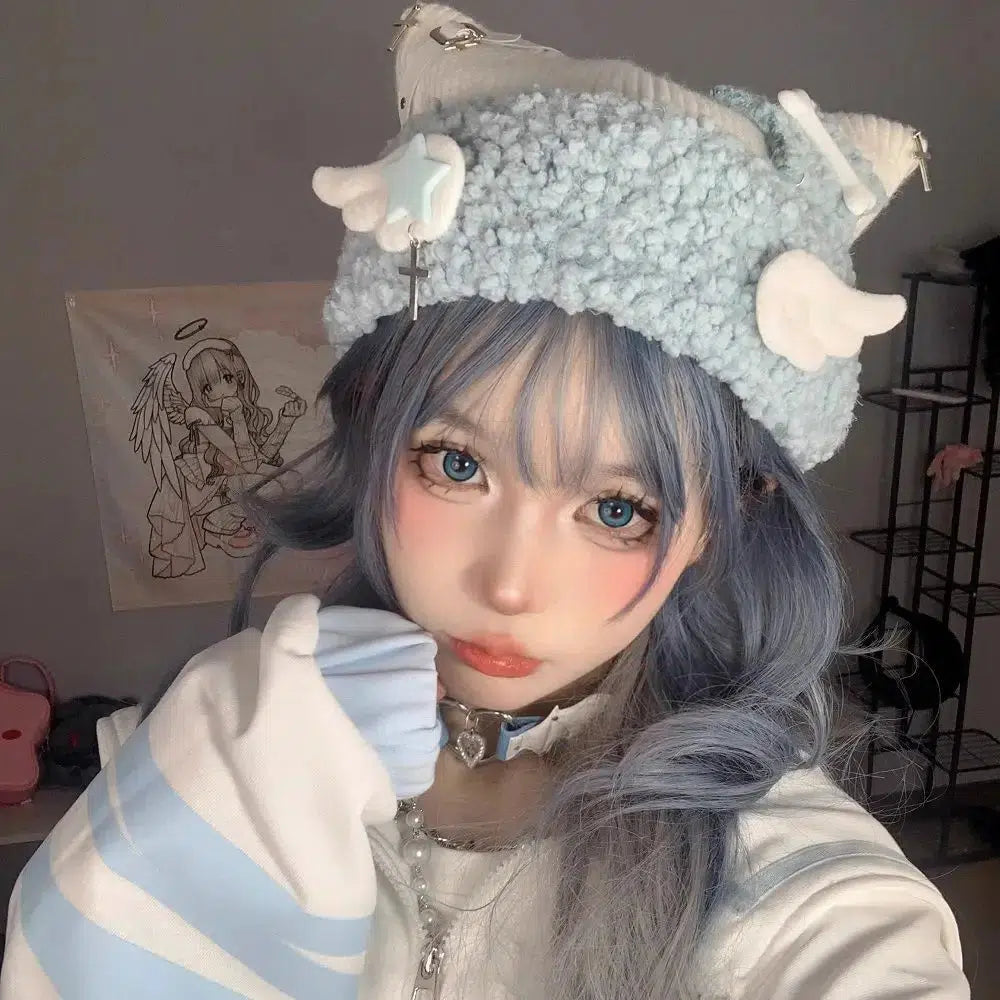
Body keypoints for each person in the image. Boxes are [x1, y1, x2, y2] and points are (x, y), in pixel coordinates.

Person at [1, 4, 969, 998]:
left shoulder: (795, 890)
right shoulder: (212, 758)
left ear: (721, 519)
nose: (508, 585)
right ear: (375, 429)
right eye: (458, 466)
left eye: (618, 509)